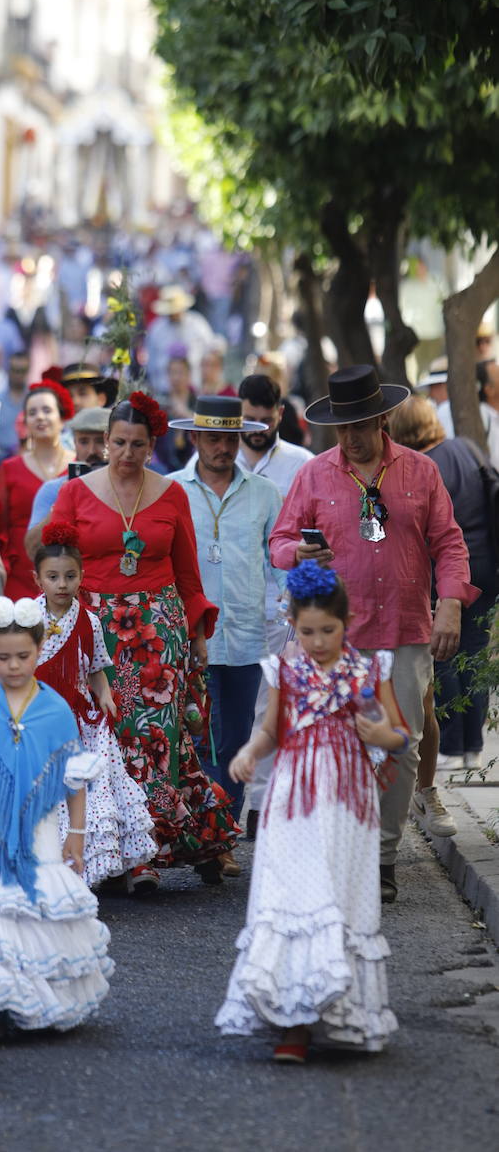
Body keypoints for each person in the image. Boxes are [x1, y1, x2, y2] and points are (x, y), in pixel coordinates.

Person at [269, 364, 477, 903]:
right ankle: (348, 850)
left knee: (400, 747)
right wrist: (299, 553)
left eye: (360, 425)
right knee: (342, 746)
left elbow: (450, 543)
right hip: (337, 636)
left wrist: (450, 602)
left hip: (406, 627)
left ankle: (383, 857)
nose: (350, 437)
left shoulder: (420, 472)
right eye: (341, 427)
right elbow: (280, 542)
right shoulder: (314, 474)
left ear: (383, 419)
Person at [49, 393, 239, 892]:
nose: (126, 454)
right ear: (104, 442)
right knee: (108, 736)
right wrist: (51, 627)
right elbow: (56, 564)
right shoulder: (75, 492)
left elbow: (188, 572)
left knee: (157, 739)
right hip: (95, 626)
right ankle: (116, 847)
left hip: (159, 629)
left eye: (137, 445)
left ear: (153, 446)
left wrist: (198, 635)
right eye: (118, 443)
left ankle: (148, 852)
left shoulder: (172, 494)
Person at [215, 562, 404, 1061]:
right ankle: (290, 1023)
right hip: (294, 799)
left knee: (337, 898)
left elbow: (398, 734)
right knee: (293, 898)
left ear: (348, 624)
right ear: (293, 626)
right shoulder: (284, 671)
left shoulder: (368, 670)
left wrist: (379, 735)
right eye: (307, 632)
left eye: (329, 630)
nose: (318, 641)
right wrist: (250, 753)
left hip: (347, 803)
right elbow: (272, 729)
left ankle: (339, 1011)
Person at [0, 596, 113, 1033]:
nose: (13, 666)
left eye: (24, 656)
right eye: (2, 657)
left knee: (33, 910)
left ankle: (32, 999)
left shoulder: (56, 710)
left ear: (39, 650)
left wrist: (78, 833)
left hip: (41, 831)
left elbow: (73, 776)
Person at [168, 395, 286, 850]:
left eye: (230, 438)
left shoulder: (264, 493)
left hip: (244, 638)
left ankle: (223, 834)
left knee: (238, 739)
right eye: (213, 438)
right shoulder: (172, 489)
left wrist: (292, 603)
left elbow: (279, 560)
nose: (223, 447)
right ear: (194, 437)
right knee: (197, 740)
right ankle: (206, 837)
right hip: (190, 637)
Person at [33, 524, 155, 889]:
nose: (62, 584)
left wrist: (103, 693)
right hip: (36, 716)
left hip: (77, 718)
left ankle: (83, 867)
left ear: (82, 576)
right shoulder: (28, 617)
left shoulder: (88, 620)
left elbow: (97, 666)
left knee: (88, 787)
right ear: (37, 579)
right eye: (52, 577)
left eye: (70, 576)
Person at [388, 393, 498, 783]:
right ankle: (473, 746)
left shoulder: (423, 467)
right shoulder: (466, 448)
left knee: (444, 656)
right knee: (472, 654)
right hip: (486, 566)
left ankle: (451, 748)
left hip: (447, 571)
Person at [236, 373, 313, 838]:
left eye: (266, 420)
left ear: (280, 415)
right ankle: (226, 803)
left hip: (285, 605)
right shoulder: (216, 461)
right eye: (249, 419)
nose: (258, 428)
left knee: (273, 705)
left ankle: (261, 805)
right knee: (232, 708)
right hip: (231, 604)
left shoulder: (303, 465)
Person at [0, 380, 75, 599]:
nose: (40, 417)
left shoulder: (78, 466)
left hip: (68, 572)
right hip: (21, 572)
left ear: (62, 419)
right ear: (25, 422)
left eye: (47, 410)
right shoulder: (10, 468)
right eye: (33, 412)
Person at [24, 404, 108, 558]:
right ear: (74, 443)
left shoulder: (127, 487)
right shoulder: (53, 489)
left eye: (99, 442)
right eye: (83, 442)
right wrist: (61, 504)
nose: (91, 451)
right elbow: (32, 550)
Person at [145, 285, 214, 395]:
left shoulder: (198, 324)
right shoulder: (156, 328)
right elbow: (151, 361)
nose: (174, 314)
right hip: (164, 388)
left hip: (194, 388)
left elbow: (210, 352)